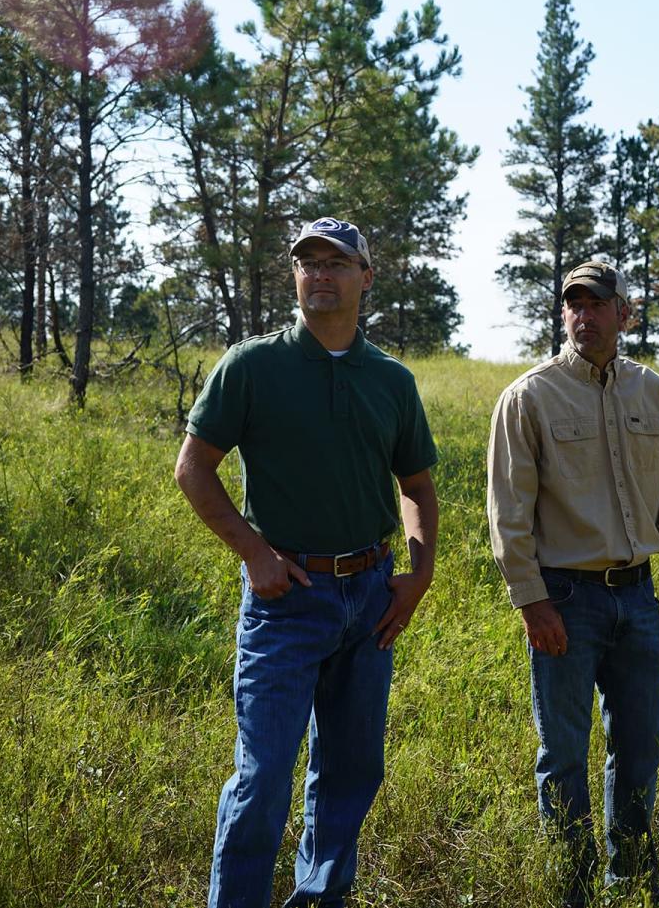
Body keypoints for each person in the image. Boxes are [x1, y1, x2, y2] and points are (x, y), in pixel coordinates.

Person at [174, 217, 439, 908]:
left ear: (365, 277)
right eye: (307, 262)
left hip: (371, 595)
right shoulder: (252, 365)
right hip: (284, 599)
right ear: (294, 275)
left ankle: (321, 896)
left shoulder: (390, 380)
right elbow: (193, 470)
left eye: (337, 262)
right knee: (262, 777)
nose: (320, 274)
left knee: (351, 770)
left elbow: (416, 488)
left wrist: (417, 575)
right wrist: (255, 553)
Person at [486, 261, 659, 907]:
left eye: (596, 303)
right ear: (563, 315)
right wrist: (531, 600)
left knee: (641, 746)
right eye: (572, 303)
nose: (583, 314)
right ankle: (571, 888)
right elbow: (507, 514)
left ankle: (633, 879)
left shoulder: (654, 394)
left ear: (623, 313)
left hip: (638, 597)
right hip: (565, 600)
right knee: (562, 754)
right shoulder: (528, 397)